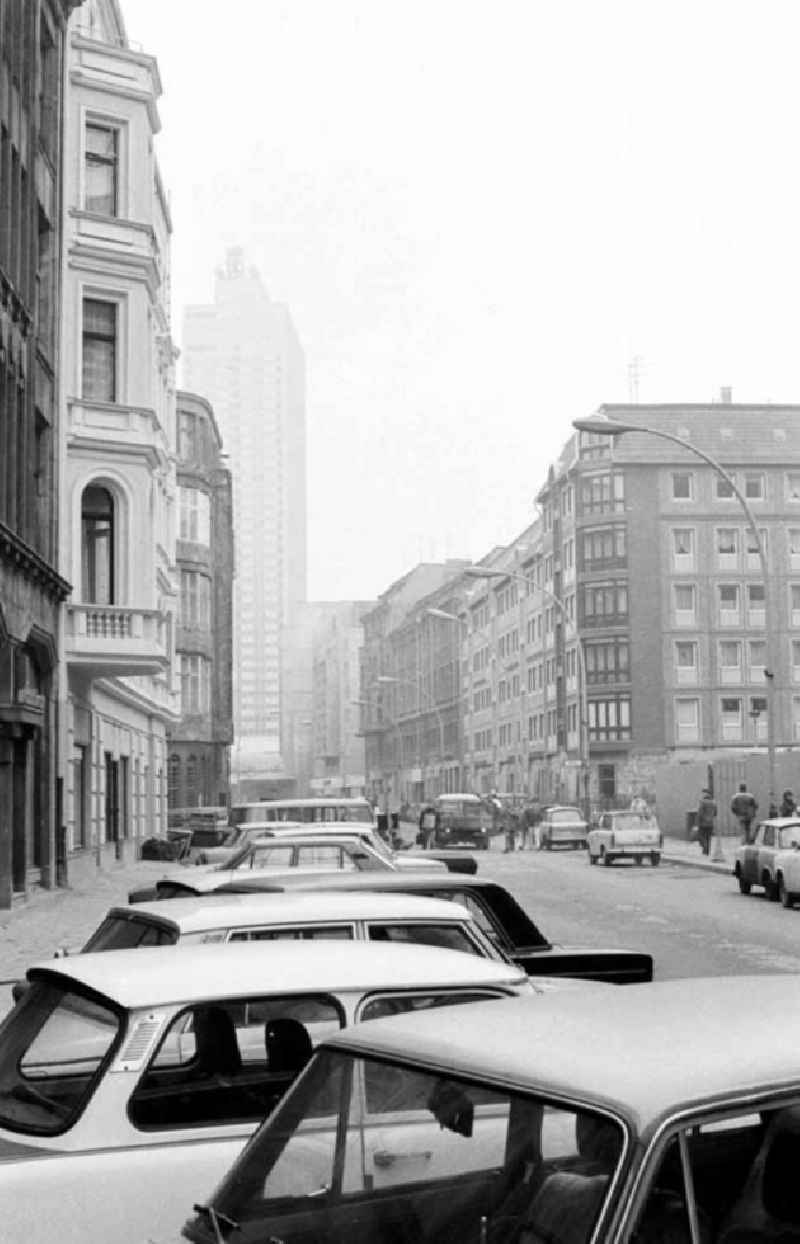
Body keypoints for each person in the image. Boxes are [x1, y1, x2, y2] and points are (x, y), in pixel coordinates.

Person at [696, 788, 717, 856]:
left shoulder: (702, 802)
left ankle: (704, 846)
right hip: (710, 823)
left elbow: (700, 813)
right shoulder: (713, 802)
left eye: (703, 793)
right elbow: (715, 813)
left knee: (701, 836)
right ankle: (706, 852)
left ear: (705, 793)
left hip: (703, 823)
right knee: (708, 838)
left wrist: (698, 821)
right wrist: (710, 817)